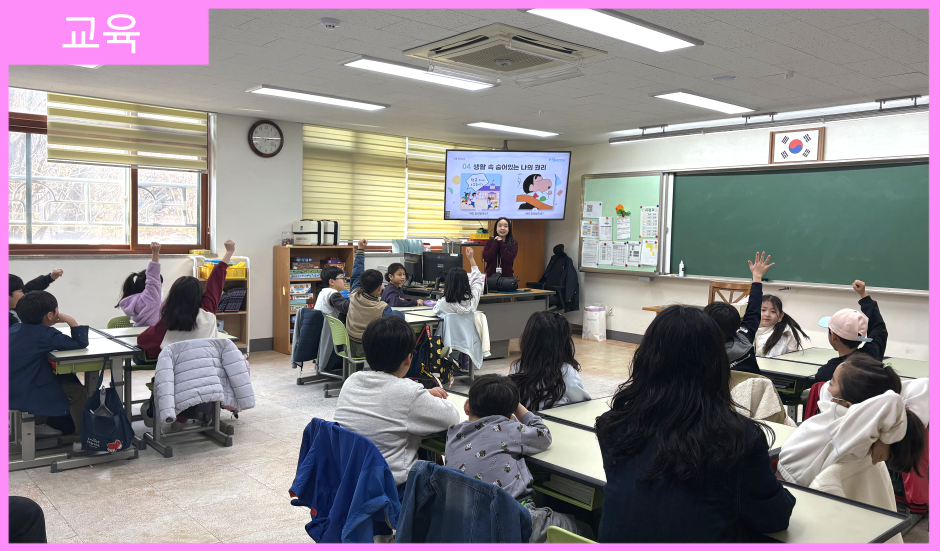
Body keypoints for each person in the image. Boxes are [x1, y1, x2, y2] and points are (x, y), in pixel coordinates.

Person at [595, 305, 794, 542]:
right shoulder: (738, 437)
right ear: (717, 363)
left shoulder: (614, 425)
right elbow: (773, 518)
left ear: (645, 358)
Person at [777, 355, 926, 542]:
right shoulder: (862, 429)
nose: (826, 387)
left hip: (793, 497)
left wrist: (888, 438)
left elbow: (891, 401)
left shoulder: (844, 428)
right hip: (799, 493)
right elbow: (915, 390)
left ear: (849, 403)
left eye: (831, 383)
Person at [445, 374, 590, 543]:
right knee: (583, 528)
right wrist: (517, 407)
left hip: (470, 522)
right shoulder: (509, 429)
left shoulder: (453, 434)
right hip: (515, 520)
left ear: (467, 406)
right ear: (510, 415)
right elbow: (543, 435)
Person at [333, 316, 460, 490]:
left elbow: (388, 398)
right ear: (409, 359)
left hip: (351, 481)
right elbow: (452, 417)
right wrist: (422, 395)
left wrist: (421, 395)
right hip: (392, 490)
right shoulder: (409, 392)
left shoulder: (351, 381)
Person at [9, 291, 90, 444]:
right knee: (77, 391)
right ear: (50, 315)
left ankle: (40, 422)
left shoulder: (13, 328)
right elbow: (79, 344)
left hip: (11, 385)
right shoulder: (45, 334)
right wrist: (71, 321)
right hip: (28, 389)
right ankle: (85, 437)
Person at [137, 239, 236, 359]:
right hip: (209, 370)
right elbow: (216, 280)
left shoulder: (167, 322)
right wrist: (229, 252)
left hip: (178, 375)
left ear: (173, 297)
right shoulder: (207, 310)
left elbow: (142, 341)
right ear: (199, 295)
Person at [703, 252, 775, 374]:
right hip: (753, 391)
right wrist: (757, 277)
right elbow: (754, 310)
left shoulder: (702, 354)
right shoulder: (744, 339)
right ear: (738, 326)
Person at [509, 311, 590, 411]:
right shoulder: (566, 371)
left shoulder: (519, 366)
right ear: (564, 343)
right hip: (558, 424)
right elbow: (584, 404)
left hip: (527, 423)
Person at [813, 280, 888, 383]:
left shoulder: (826, 373)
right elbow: (879, 327)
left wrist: (863, 294)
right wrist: (863, 295)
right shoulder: (872, 355)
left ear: (833, 335)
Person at [345, 249, 405, 359]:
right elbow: (399, 317)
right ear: (379, 288)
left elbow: (356, 273)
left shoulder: (354, 295)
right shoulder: (381, 308)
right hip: (369, 349)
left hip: (349, 345)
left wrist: (360, 250)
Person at [315, 239, 366, 323]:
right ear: (331, 282)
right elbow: (346, 308)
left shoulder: (323, 292)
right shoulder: (332, 293)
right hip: (329, 331)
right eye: (342, 278)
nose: (345, 281)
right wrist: (355, 295)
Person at [116, 241, 163, 327]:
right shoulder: (151, 297)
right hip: (152, 334)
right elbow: (153, 277)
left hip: (138, 332)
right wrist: (155, 252)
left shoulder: (134, 300)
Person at [432, 247, 483, 316]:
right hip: (468, 327)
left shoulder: (443, 303)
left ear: (448, 284)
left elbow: (435, 311)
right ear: (466, 283)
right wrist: (471, 258)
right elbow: (477, 281)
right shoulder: (472, 301)